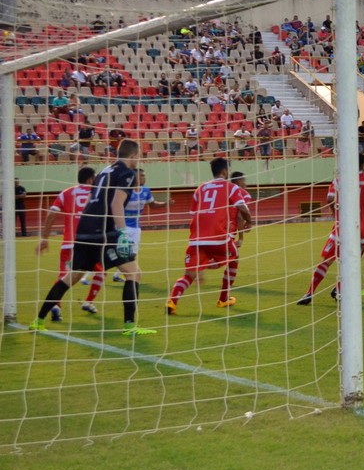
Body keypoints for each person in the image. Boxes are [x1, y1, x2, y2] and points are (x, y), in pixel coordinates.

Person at [29, 139, 155, 335]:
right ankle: (130, 326)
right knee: (134, 273)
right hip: (104, 230)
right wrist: (122, 233)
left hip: (84, 227)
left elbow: (90, 199)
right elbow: (116, 204)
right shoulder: (128, 173)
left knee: (73, 275)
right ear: (133, 156)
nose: (139, 160)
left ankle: (38, 320)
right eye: (138, 156)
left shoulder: (105, 170)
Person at [166, 158, 252, 316]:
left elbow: (193, 214)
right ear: (225, 172)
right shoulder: (231, 187)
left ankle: (172, 301)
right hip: (219, 236)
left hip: (196, 239)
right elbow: (243, 209)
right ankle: (223, 298)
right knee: (234, 258)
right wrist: (250, 222)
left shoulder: (200, 189)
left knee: (188, 275)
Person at [297, 154, 364, 304]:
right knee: (352, 263)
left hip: (342, 227)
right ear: (363, 166)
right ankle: (339, 289)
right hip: (361, 230)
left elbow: (330, 198)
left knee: (326, 261)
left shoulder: (339, 179)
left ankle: (309, 293)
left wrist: (335, 211)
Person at [35, 166, 103, 317]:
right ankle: (89, 301)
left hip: (68, 244)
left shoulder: (66, 193)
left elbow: (51, 214)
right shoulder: (97, 192)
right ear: (90, 179)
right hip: (89, 244)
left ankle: (56, 306)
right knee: (101, 270)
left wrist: (44, 238)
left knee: (64, 276)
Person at [110, 168, 173, 283]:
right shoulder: (126, 191)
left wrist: (165, 203)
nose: (143, 178)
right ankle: (116, 272)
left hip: (136, 227)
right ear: (134, 178)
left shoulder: (146, 190)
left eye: (144, 176)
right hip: (124, 226)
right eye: (141, 176)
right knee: (125, 252)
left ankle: (117, 274)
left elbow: (152, 205)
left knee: (132, 253)